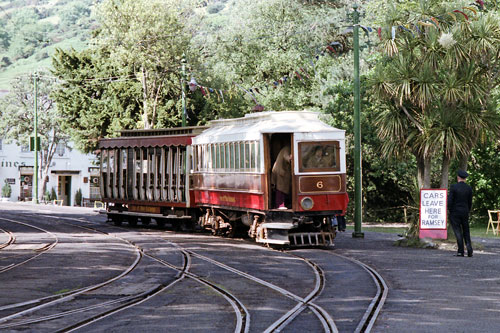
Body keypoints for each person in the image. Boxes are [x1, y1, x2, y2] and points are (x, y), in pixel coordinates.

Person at [448, 169, 473, 257]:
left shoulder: (454, 187)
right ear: (465, 178)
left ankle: (460, 251)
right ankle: (469, 249)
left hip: (455, 212)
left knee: (458, 231)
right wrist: (468, 210)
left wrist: (449, 210)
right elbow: (470, 202)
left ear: (458, 177)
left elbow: (450, 200)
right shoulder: (469, 188)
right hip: (465, 211)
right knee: (466, 230)